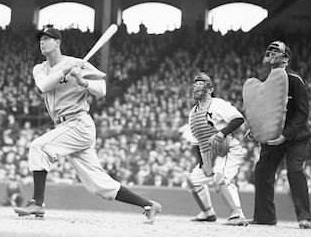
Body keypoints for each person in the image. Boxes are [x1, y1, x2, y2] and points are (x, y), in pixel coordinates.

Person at [13, 27, 162, 224]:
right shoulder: (40, 69)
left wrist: (83, 81)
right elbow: (43, 86)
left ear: (58, 43)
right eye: (40, 39)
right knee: (98, 185)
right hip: (64, 127)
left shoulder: (76, 63)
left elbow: (101, 90)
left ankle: (37, 203)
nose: (42, 42)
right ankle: (150, 205)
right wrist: (65, 71)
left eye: (47, 39)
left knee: (39, 146)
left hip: (78, 122)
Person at [250, 41, 311, 229]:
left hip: (295, 138)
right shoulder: (264, 80)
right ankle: (264, 217)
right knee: (262, 172)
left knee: (294, 171)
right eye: (269, 49)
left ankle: (305, 217)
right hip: (272, 135)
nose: (270, 52)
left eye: (276, 51)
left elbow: (302, 112)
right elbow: (261, 110)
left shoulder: (294, 80)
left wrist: (285, 135)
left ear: (286, 59)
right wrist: (255, 127)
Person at [186, 72, 249, 226]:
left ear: (210, 89)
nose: (197, 87)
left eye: (201, 84)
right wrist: (203, 164)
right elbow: (196, 142)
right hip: (209, 153)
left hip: (227, 149)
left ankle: (238, 214)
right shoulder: (193, 113)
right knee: (192, 181)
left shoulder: (217, 103)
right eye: (195, 85)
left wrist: (221, 133)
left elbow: (238, 118)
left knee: (220, 180)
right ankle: (208, 213)